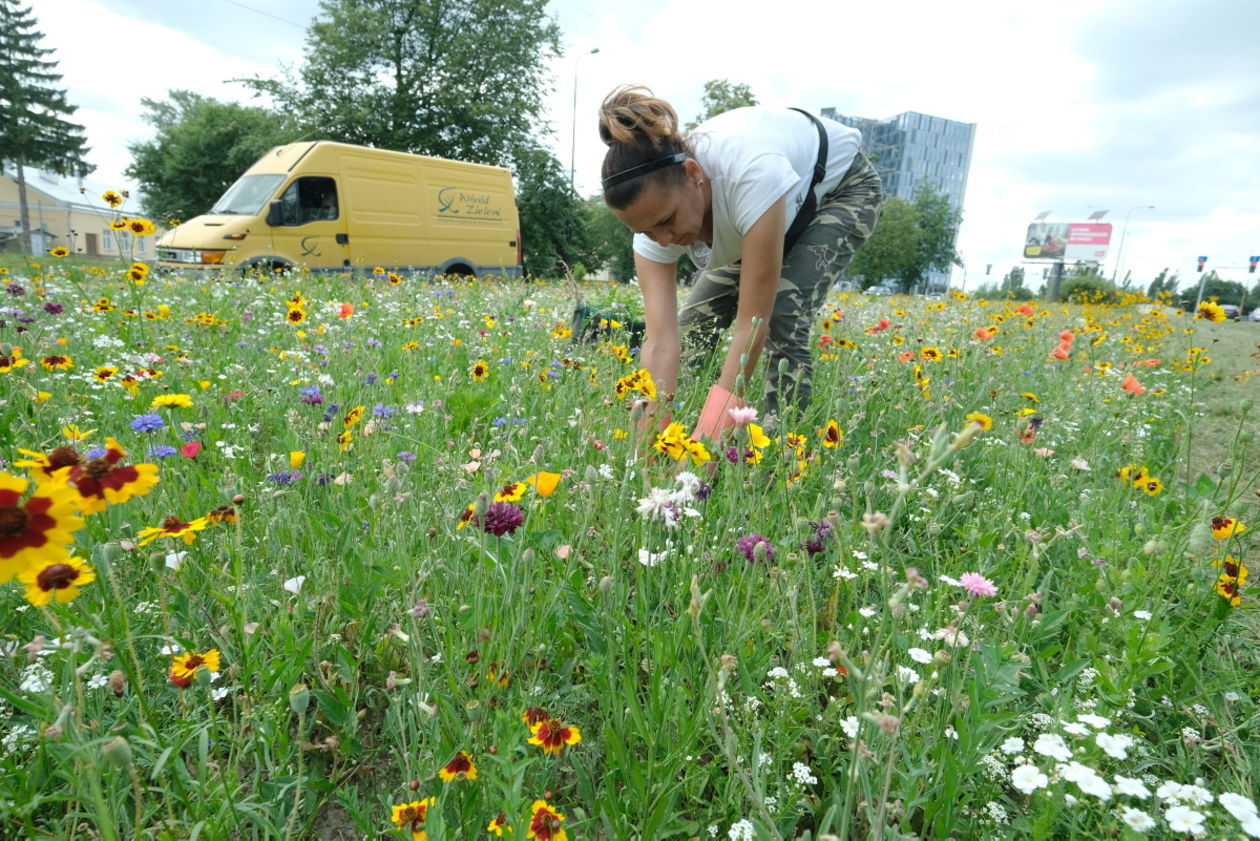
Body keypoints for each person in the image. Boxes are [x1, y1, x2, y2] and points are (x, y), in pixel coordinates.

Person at [598, 85, 883, 438]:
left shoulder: (750, 173)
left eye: (666, 221)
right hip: (759, 210)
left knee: (782, 311)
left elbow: (750, 327)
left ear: (692, 174)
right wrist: (647, 447)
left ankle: (783, 454)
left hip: (839, 190)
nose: (664, 240)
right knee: (693, 327)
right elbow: (660, 342)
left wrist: (707, 446)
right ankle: (675, 436)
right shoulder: (654, 225)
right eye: (647, 232)